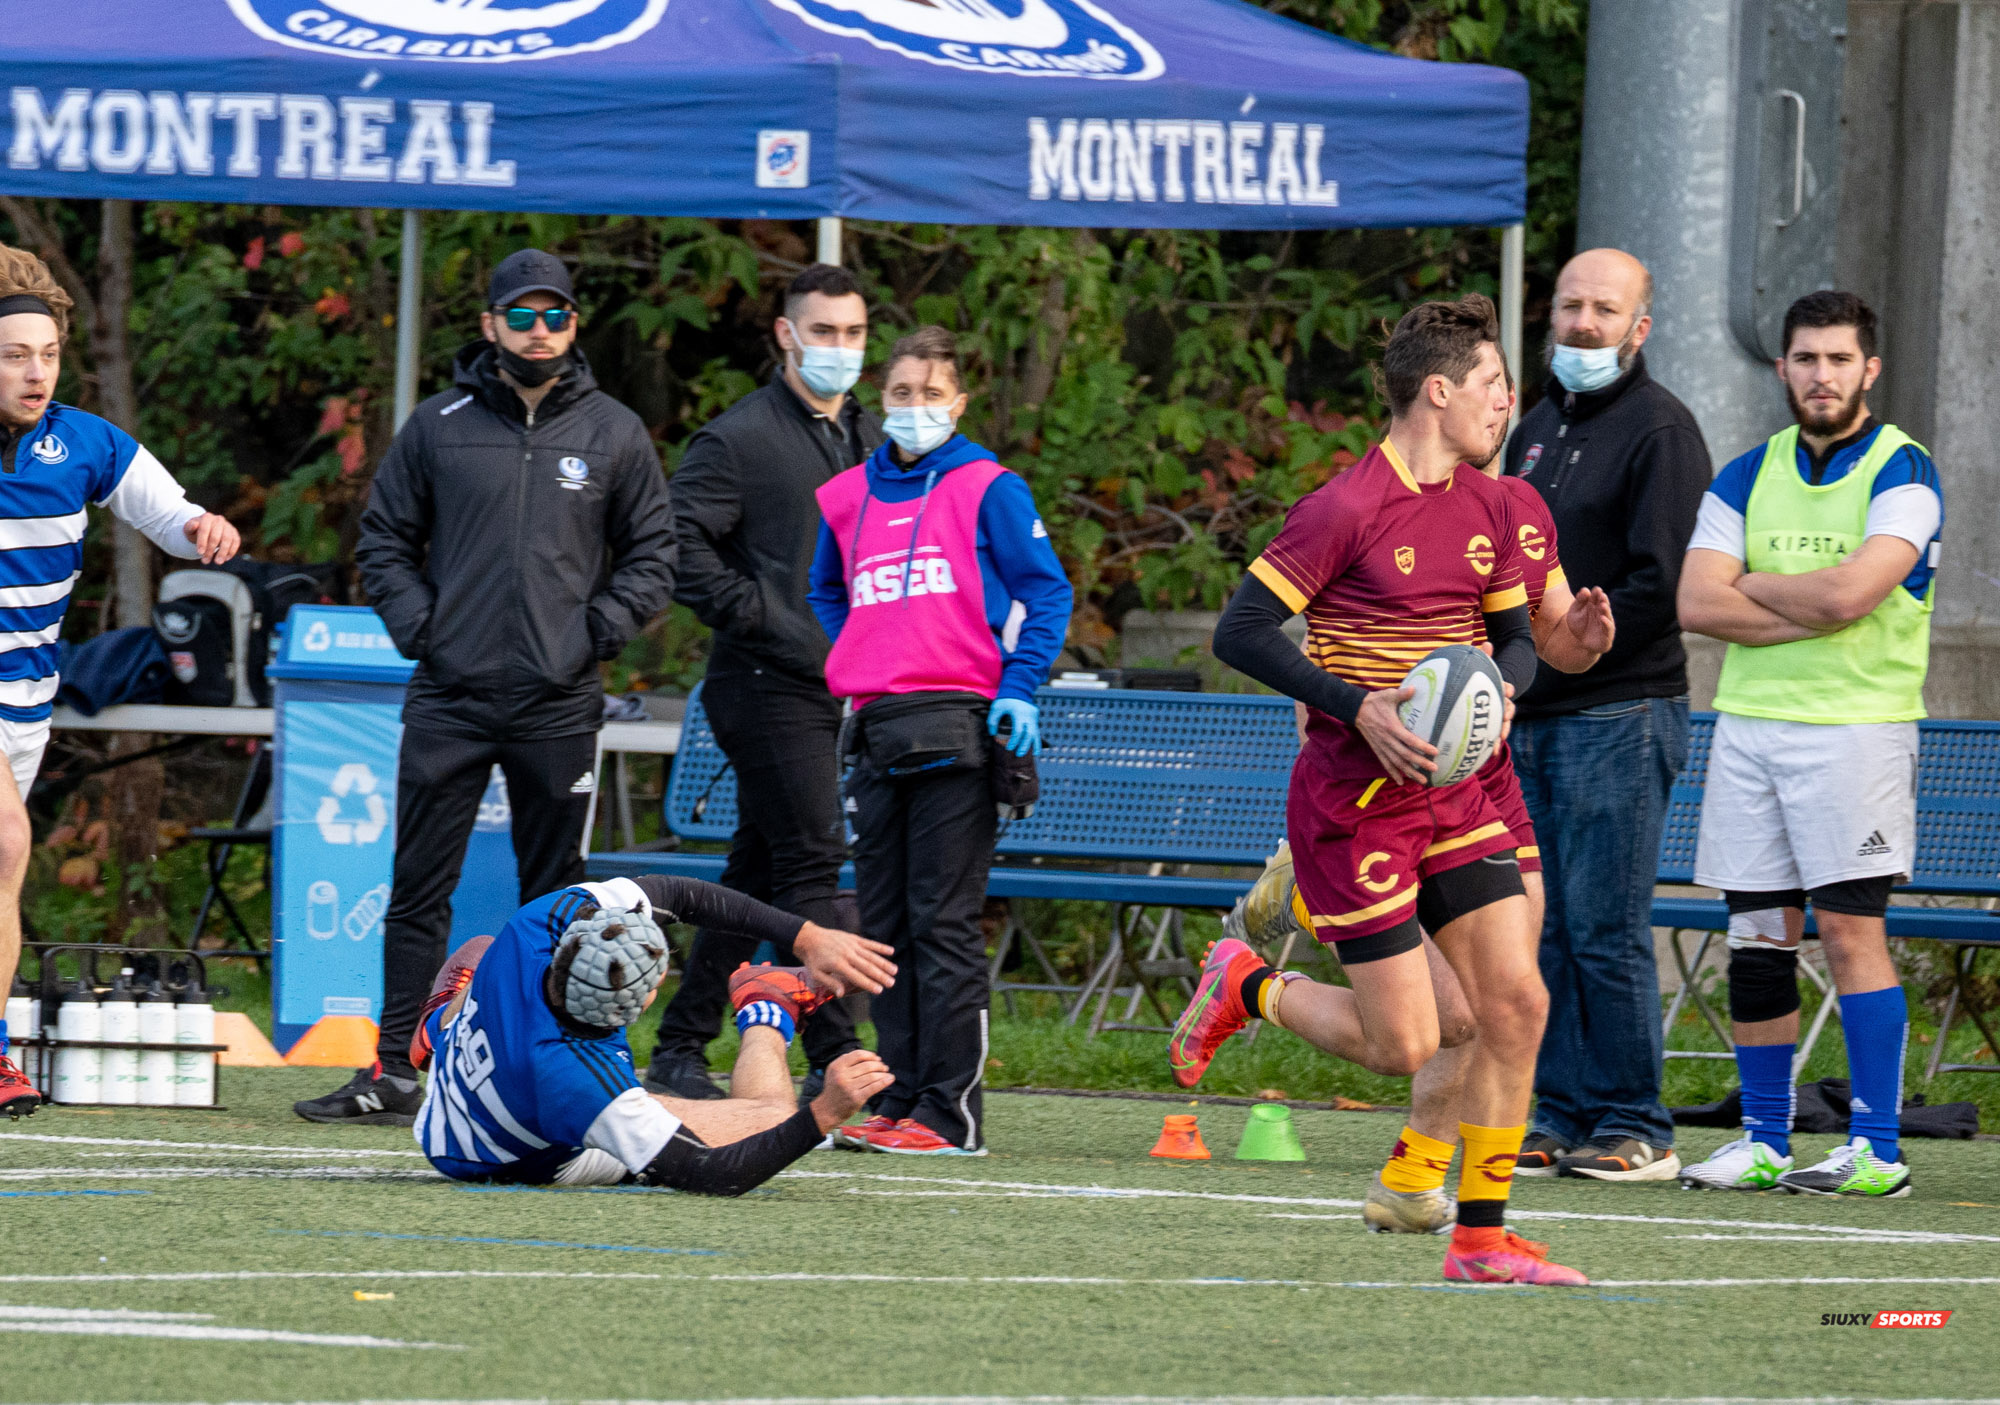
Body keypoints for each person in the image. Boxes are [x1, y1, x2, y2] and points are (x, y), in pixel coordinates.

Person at [1180, 294, 1586, 1285]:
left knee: (1513, 1004)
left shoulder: (1487, 504)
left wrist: (1500, 691)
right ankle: (1248, 983)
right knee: (1407, 1041)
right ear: (1437, 392)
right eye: (1491, 383)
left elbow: (1516, 641)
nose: (1506, 401)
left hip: (1455, 796)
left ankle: (1479, 1241)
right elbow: (1239, 632)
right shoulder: (1344, 508)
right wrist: (1355, 705)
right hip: (1351, 808)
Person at [297, 248, 677, 1127]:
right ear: (490, 324)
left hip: (559, 701)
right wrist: (426, 632)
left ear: (574, 325)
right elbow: (384, 540)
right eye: (523, 315)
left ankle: (549, 1069)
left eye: (555, 315)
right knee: (417, 887)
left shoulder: (615, 431)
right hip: (451, 695)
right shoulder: (439, 424)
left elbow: (655, 555)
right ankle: (397, 1069)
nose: (539, 331)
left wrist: (592, 635)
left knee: (557, 897)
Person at [1675, 292, 1938, 1199]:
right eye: (1806, 358)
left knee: (1853, 933)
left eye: (1838, 359)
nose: (1821, 375)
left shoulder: (1904, 469)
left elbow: (1853, 596)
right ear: (1781, 367)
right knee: (1756, 936)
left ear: (1870, 369)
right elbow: (1696, 602)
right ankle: (1763, 1140)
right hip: (1750, 726)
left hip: (1856, 731)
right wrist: (1817, 601)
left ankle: (1876, 1150)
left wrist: (1756, 582)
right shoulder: (1747, 472)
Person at [806, 326, 1072, 1156]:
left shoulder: (990, 486)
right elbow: (824, 588)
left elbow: (1047, 592)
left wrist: (1017, 687)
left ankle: (950, 1113)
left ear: (958, 403)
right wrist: (867, 649)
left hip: (961, 722)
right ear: (879, 399)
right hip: (875, 723)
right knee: (883, 924)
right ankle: (900, 1096)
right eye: (901, 392)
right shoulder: (846, 495)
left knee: (942, 919)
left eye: (931, 393)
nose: (914, 406)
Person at [0, 244, 241, 1121]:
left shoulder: (84, 442)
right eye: (14, 355)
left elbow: (168, 514)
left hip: (26, 701)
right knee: (8, 843)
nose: (36, 372)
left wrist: (203, 526)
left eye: (48, 354)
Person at [643, 264, 884, 1103]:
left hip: (838, 683)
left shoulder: (868, 434)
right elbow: (676, 544)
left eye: (853, 333)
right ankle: (835, 1050)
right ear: (786, 334)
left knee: (755, 870)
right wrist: (764, 615)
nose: (839, 347)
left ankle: (681, 1043)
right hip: (761, 680)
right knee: (812, 852)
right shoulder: (738, 437)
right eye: (823, 331)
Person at [1501, 248, 1712, 1183]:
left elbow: (1662, 588)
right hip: (1533, 718)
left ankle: (1636, 1123)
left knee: (1603, 929)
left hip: (1621, 714)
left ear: (1640, 327)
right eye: (1571, 305)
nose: (1584, 323)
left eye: (1605, 309)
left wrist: (1565, 647)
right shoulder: (1536, 426)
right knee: (1541, 929)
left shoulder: (1663, 430)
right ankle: (1557, 1110)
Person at [411, 872, 898, 1188]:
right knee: (771, 1116)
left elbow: (681, 894)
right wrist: (825, 1113)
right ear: (639, 1007)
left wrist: (806, 937)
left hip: (477, 1081)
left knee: (483, 948)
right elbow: (714, 1172)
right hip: (487, 1157)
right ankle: (766, 1005)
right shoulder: (585, 1087)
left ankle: (438, 1032)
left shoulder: (538, 924)